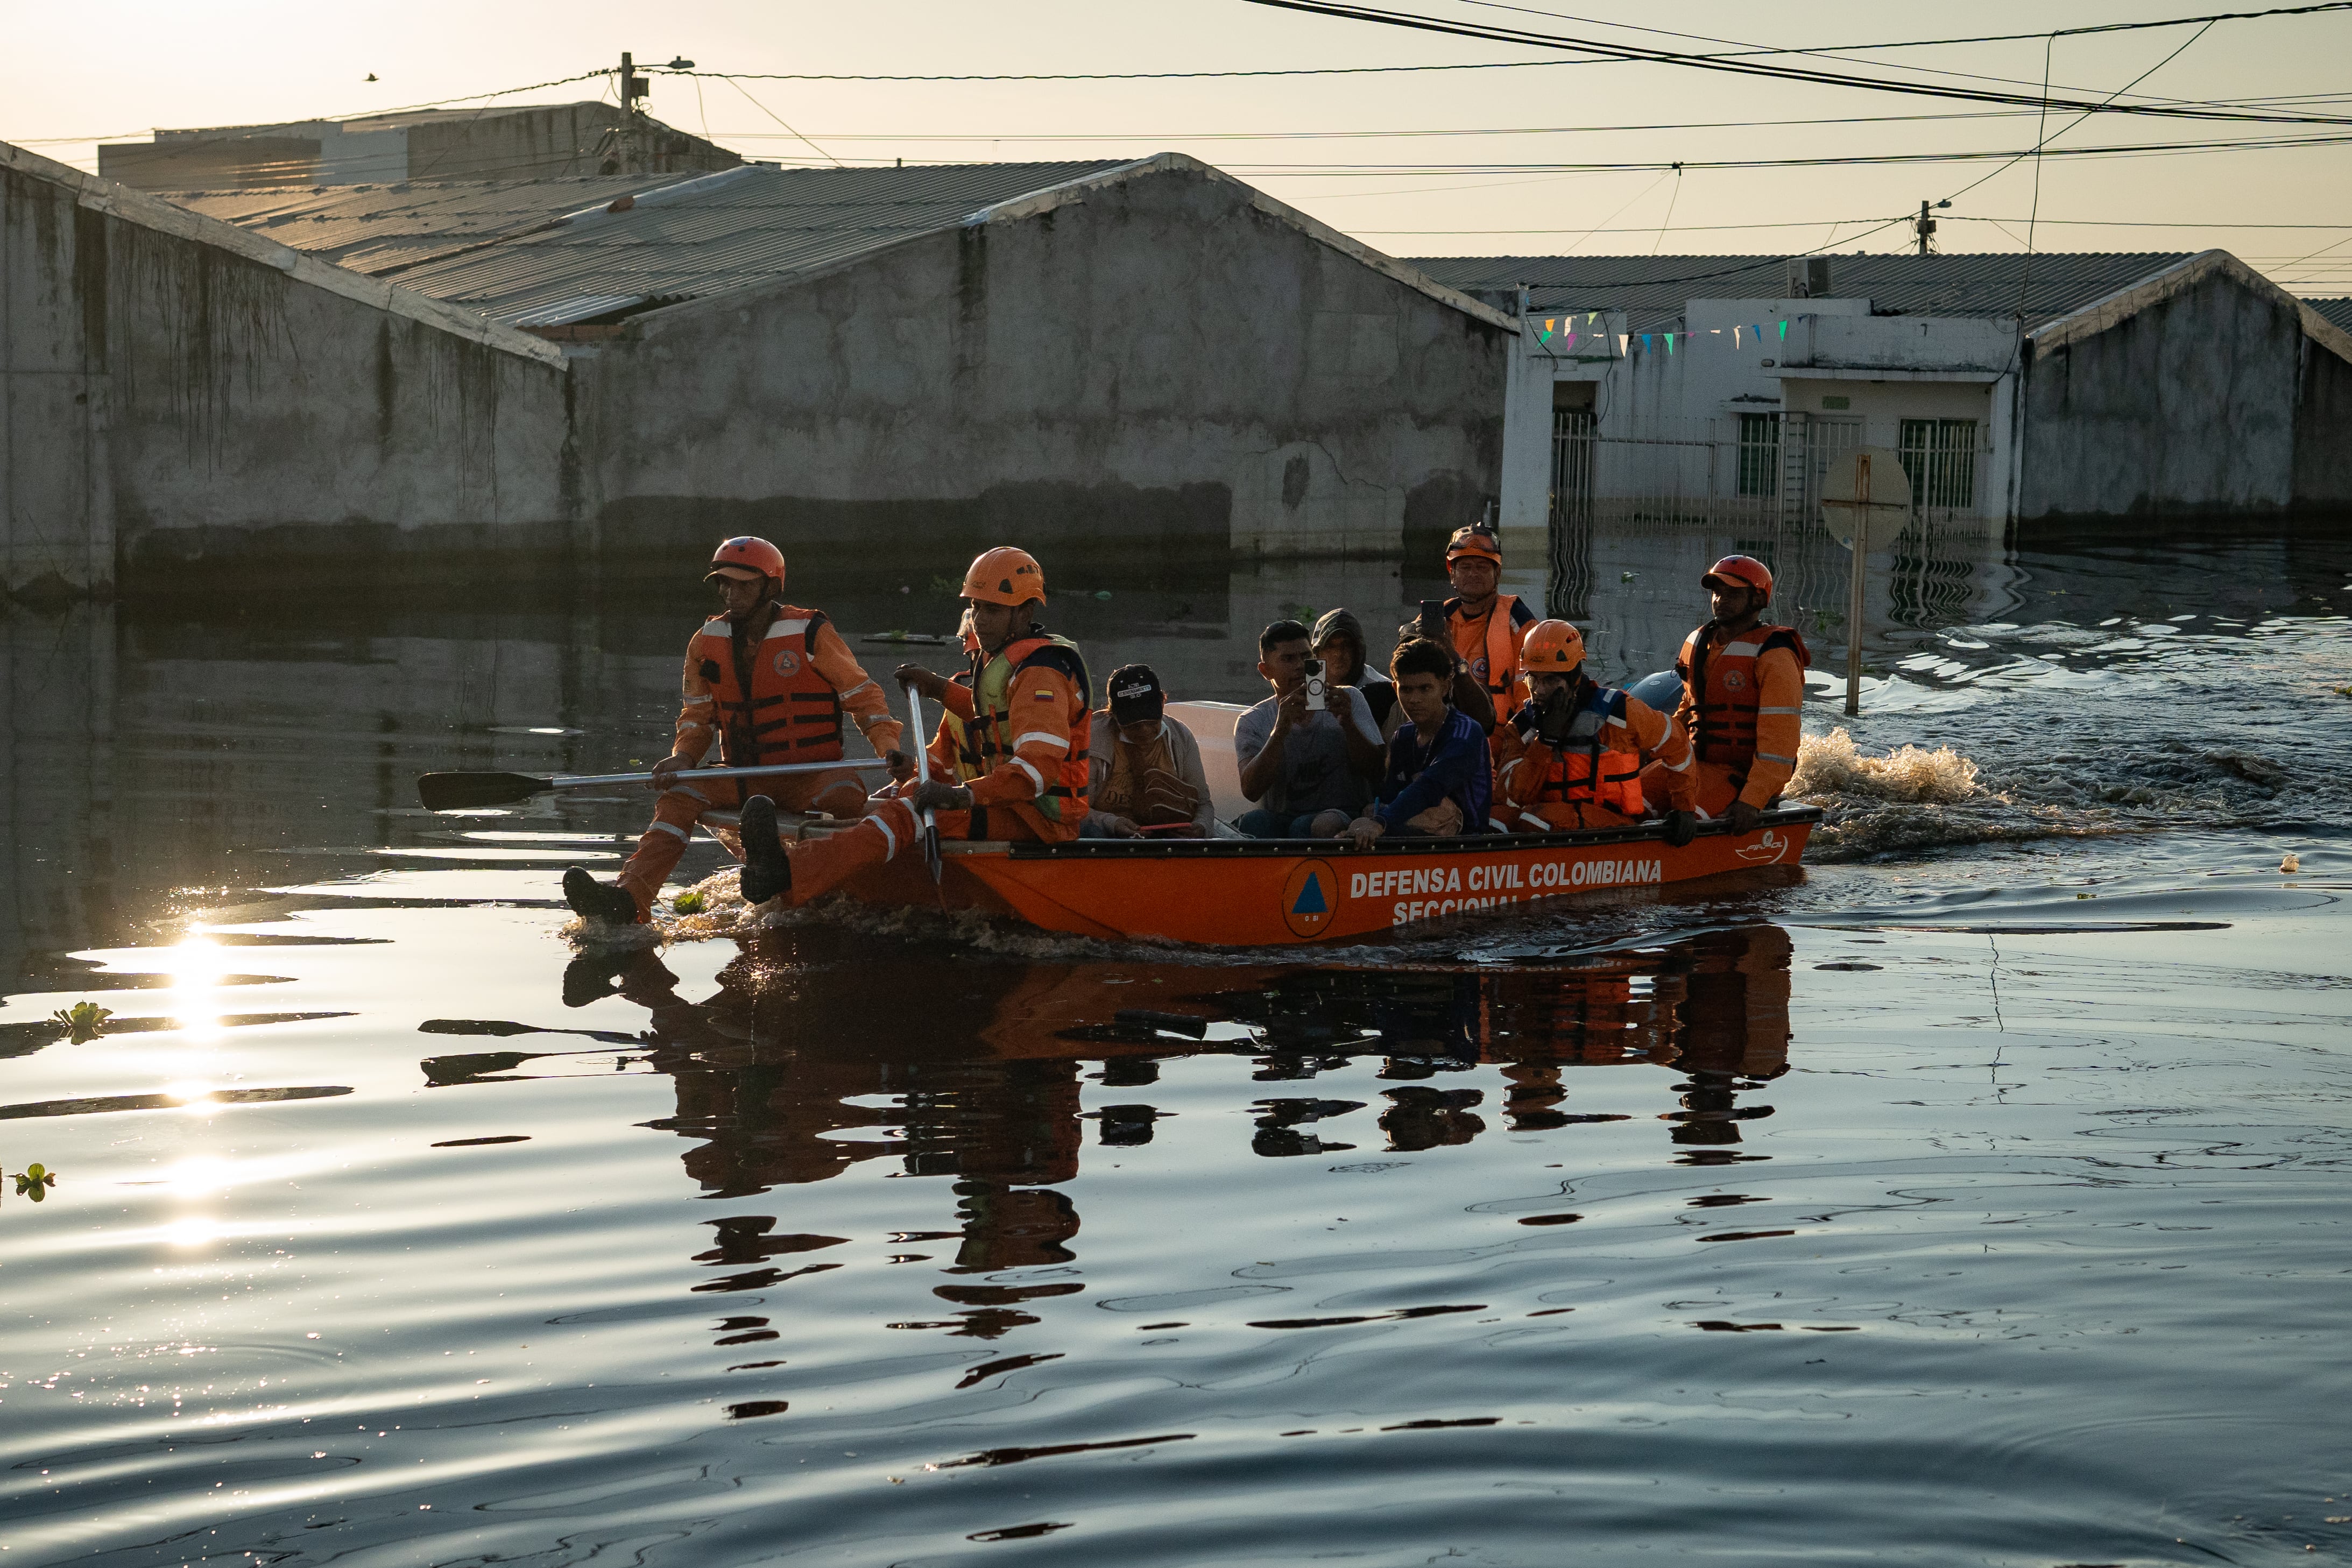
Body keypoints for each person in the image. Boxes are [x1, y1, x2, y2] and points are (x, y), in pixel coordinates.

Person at [561, 535, 903, 924]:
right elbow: (696, 716)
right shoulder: (706, 642)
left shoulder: (811, 632)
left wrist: (887, 747)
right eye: (724, 583)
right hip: (743, 776)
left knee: (844, 795)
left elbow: (864, 698)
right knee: (682, 792)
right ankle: (629, 899)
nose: (731, 593)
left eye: (744, 584)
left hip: (810, 772)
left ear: (770, 587)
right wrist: (683, 757)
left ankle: (785, 871)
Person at [1493, 619, 1700, 842]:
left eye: (1551, 680)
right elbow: (1512, 797)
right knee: (1495, 819)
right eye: (1533, 680)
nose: (1540, 691)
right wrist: (1545, 741)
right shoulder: (1522, 726)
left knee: (1537, 820)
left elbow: (1677, 743)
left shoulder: (1619, 712)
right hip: (1555, 818)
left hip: (1614, 823)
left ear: (1574, 678)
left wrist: (1684, 808)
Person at [1654, 554, 1811, 834]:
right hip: (1692, 765)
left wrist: (1751, 802)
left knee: (1683, 817)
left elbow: (1780, 743)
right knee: (1627, 798)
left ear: (1757, 600)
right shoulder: (1698, 642)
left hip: (1739, 778)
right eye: (1717, 592)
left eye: (1732, 593)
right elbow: (1687, 710)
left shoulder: (1776, 655)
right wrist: (1653, 753)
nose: (1720, 600)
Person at [1234, 618, 1385, 839]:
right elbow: (1251, 791)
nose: (1299, 665)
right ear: (1266, 671)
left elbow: (1378, 772)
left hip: (1340, 813)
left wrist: (1349, 725)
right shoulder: (1253, 720)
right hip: (1284, 816)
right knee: (1254, 823)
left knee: (1310, 827)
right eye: (1288, 659)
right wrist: (1280, 730)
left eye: (1306, 657)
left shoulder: (1349, 698)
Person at [1340, 637, 1492, 846]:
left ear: (1445, 687)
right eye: (1406, 690)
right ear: (1395, 689)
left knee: (1439, 809)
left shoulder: (1466, 733)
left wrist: (1379, 822)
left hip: (1467, 846)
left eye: (1425, 689)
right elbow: (1390, 796)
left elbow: (1430, 787)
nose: (1414, 699)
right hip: (1408, 842)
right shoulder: (1403, 736)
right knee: (1350, 821)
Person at [1082, 664, 1220, 838]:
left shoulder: (1181, 736)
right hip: (1108, 836)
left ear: (1163, 701)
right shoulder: (1090, 739)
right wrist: (1112, 823)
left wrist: (1200, 826)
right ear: (1113, 714)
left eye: (1151, 721)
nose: (1145, 731)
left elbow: (1203, 803)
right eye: (1133, 725)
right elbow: (1074, 809)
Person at [1432, 524, 1536, 726]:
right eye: (1465, 567)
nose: (1473, 574)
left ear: (1497, 573)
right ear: (1451, 572)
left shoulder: (1519, 622)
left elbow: (1531, 699)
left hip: (1499, 734)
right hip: (1443, 730)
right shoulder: (1438, 617)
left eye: (1482, 567)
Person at [1310, 608, 1402, 742]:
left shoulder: (1382, 692)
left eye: (1346, 645)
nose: (1338, 654)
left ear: (1358, 651)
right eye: (1330, 646)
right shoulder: (1305, 687)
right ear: (1317, 653)